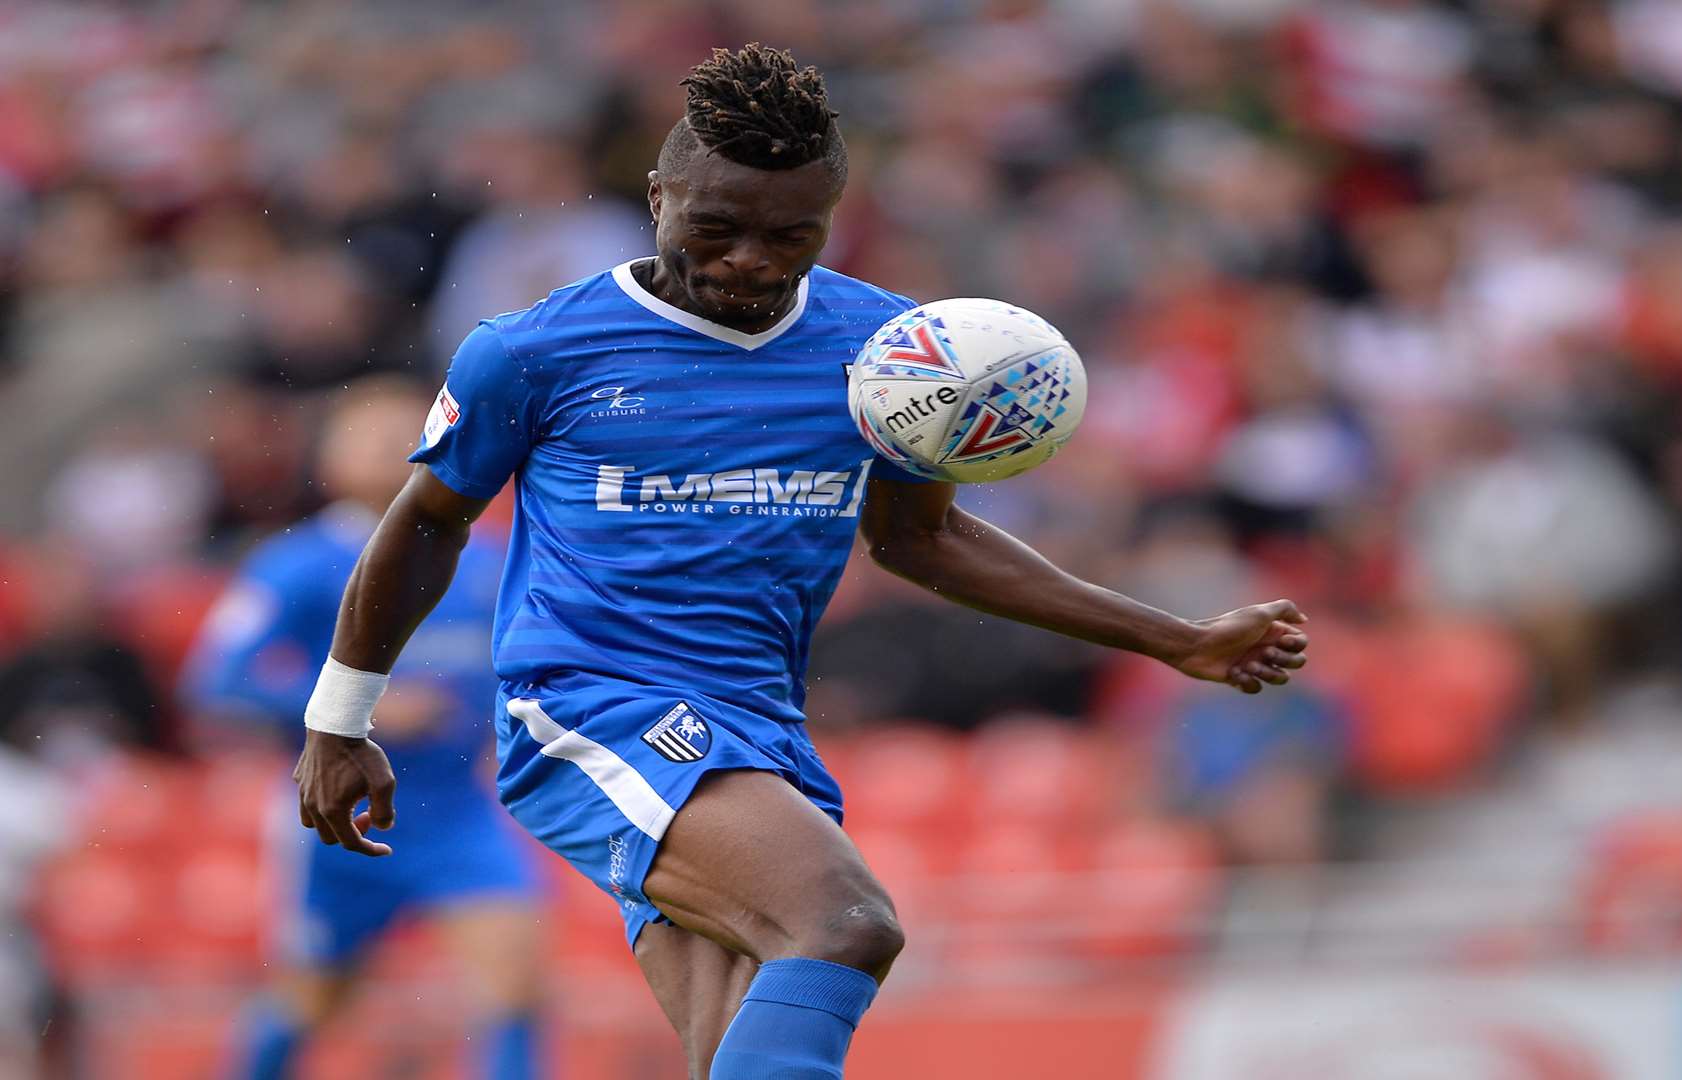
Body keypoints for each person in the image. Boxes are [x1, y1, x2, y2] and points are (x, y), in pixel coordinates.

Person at [294, 45, 1309, 1080]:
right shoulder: (534, 352)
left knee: (736, 1047)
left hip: (758, 728)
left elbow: (922, 540)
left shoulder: (888, 353)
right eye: (715, 227)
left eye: (790, 234)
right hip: (591, 709)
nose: (748, 259)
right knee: (847, 921)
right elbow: (426, 523)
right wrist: (340, 718)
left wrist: (1173, 637)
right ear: (657, 197)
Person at [184, 379, 544, 1080]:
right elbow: (221, 678)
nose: (395, 448)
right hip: (337, 820)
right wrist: (363, 709)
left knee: (517, 981)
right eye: (372, 437)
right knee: (313, 1000)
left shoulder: (486, 557)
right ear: (332, 459)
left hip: (454, 813)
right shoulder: (296, 564)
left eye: (405, 432)